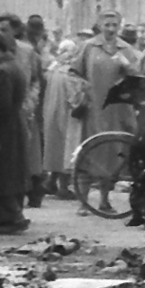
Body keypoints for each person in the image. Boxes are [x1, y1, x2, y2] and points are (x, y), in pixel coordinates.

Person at [74, 10, 139, 213]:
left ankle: (104, 200)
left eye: (114, 25)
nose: (110, 29)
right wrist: (81, 91)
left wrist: (126, 66)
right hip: (94, 108)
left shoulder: (126, 49)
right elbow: (75, 72)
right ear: (99, 25)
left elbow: (136, 78)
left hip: (117, 110)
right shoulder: (89, 47)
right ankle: (83, 202)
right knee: (89, 151)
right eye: (107, 24)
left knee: (113, 155)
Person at [0, 30, 31, 234]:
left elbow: (0, 105)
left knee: (2, 174)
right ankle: (3, 219)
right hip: (15, 124)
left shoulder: (2, 71)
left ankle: (10, 218)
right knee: (11, 172)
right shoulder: (15, 66)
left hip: (5, 128)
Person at [41, 36, 87, 197]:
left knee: (54, 147)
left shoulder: (52, 69)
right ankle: (63, 187)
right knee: (67, 148)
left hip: (51, 112)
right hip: (67, 116)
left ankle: (51, 181)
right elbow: (75, 99)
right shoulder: (70, 73)